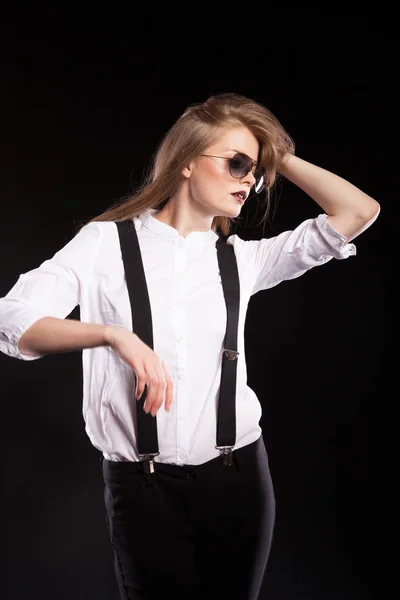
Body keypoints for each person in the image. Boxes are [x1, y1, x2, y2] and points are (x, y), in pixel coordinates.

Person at [0, 92, 380, 600]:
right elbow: (12, 321)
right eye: (237, 163)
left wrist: (276, 155)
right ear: (185, 162)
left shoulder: (243, 260)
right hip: (141, 486)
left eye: (255, 171)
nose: (249, 179)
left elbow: (358, 210)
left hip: (239, 480)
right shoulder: (104, 245)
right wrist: (114, 336)